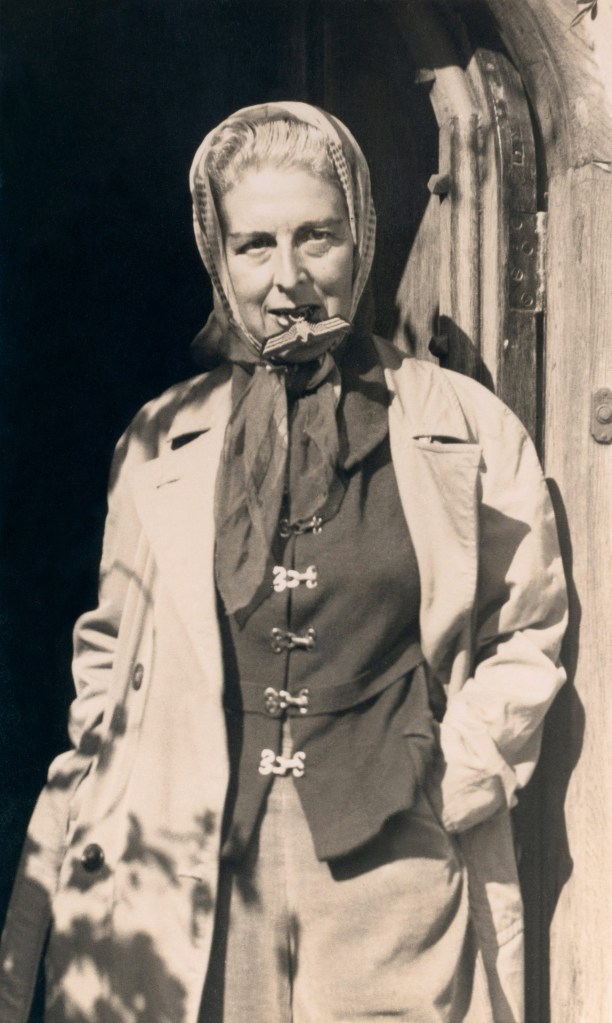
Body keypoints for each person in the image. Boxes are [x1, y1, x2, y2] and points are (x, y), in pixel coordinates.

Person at [0, 102, 567, 1023]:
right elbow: (112, 647)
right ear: (217, 259)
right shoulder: (160, 438)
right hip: (200, 868)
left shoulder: (463, 425)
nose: (288, 277)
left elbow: (528, 628)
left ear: (362, 237)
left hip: (398, 868)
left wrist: (450, 775)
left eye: (318, 237)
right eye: (254, 245)